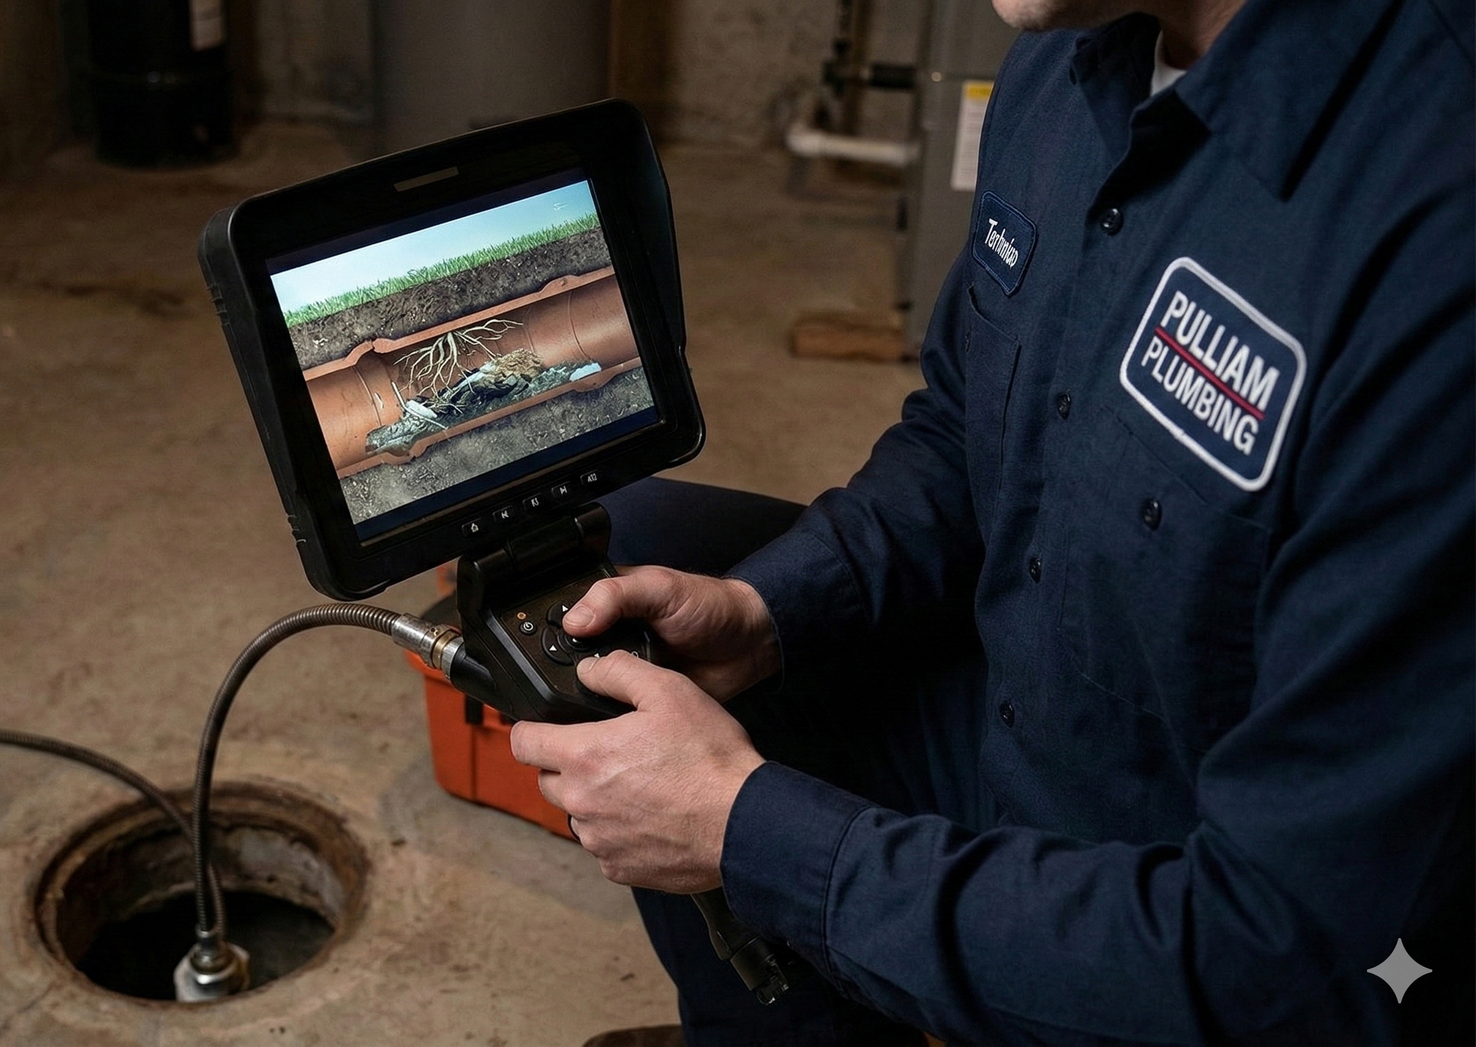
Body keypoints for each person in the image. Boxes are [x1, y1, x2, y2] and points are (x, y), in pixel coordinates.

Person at [509, 0, 1475, 1043]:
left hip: (1203, 906)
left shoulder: (1432, 230)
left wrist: (754, 836)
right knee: (630, 567)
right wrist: (767, 612)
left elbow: (1280, 958)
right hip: (1033, 729)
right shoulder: (1066, 61)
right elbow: (964, 432)